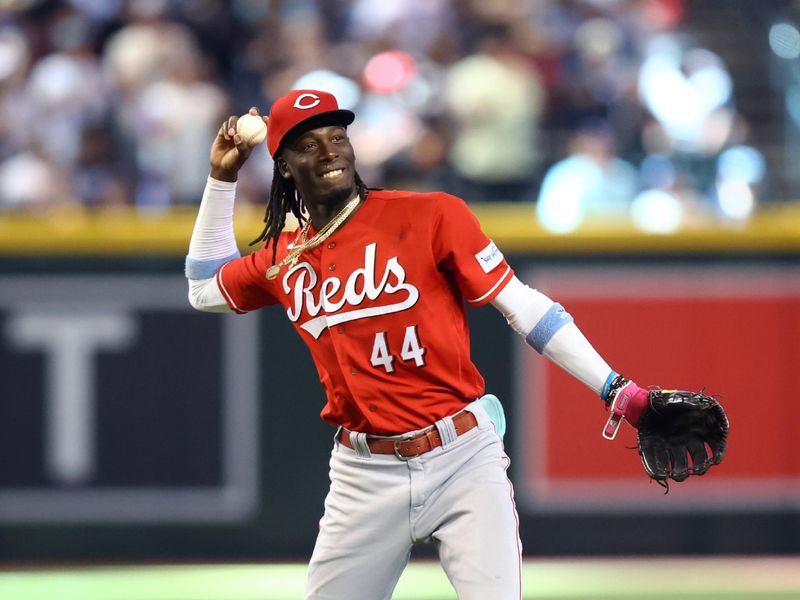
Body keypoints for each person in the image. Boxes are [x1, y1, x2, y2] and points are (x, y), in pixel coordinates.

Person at [184, 89, 722, 599]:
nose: (329, 151)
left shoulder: (429, 214)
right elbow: (205, 287)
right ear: (283, 165)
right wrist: (221, 178)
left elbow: (524, 305)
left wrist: (617, 391)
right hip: (362, 472)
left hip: (462, 457)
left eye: (337, 136)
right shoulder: (285, 256)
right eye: (307, 144)